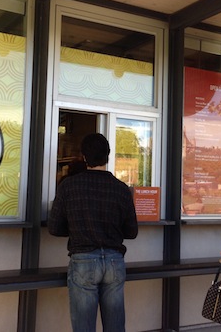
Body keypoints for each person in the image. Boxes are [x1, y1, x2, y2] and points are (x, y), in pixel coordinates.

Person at [48, 133, 139, 332]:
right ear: (108, 156)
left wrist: (76, 229)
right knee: (115, 327)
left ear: (83, 157)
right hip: (115, 261)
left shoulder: (69, 186)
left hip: (83, 261)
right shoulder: (122, 189)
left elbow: (54, 228)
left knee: (83, 327)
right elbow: (132, 232)